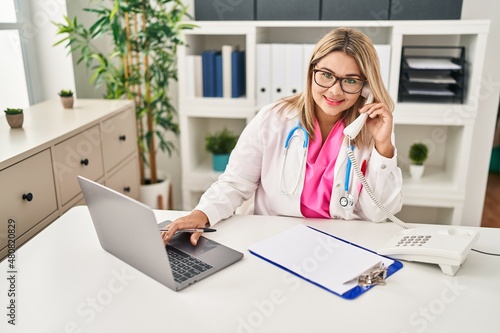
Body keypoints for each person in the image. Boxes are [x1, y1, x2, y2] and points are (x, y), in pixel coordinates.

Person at [163, 27, 403, 245]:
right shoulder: (273, 118)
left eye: (350, 81)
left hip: (341, 244)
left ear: (366, 87)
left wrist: (383, 146)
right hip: (274, 240)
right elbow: (236, 183)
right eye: (326, 75)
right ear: (311, 72)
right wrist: (202, 214)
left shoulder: (372, 128)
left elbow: (379, 212)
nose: (335, 90)